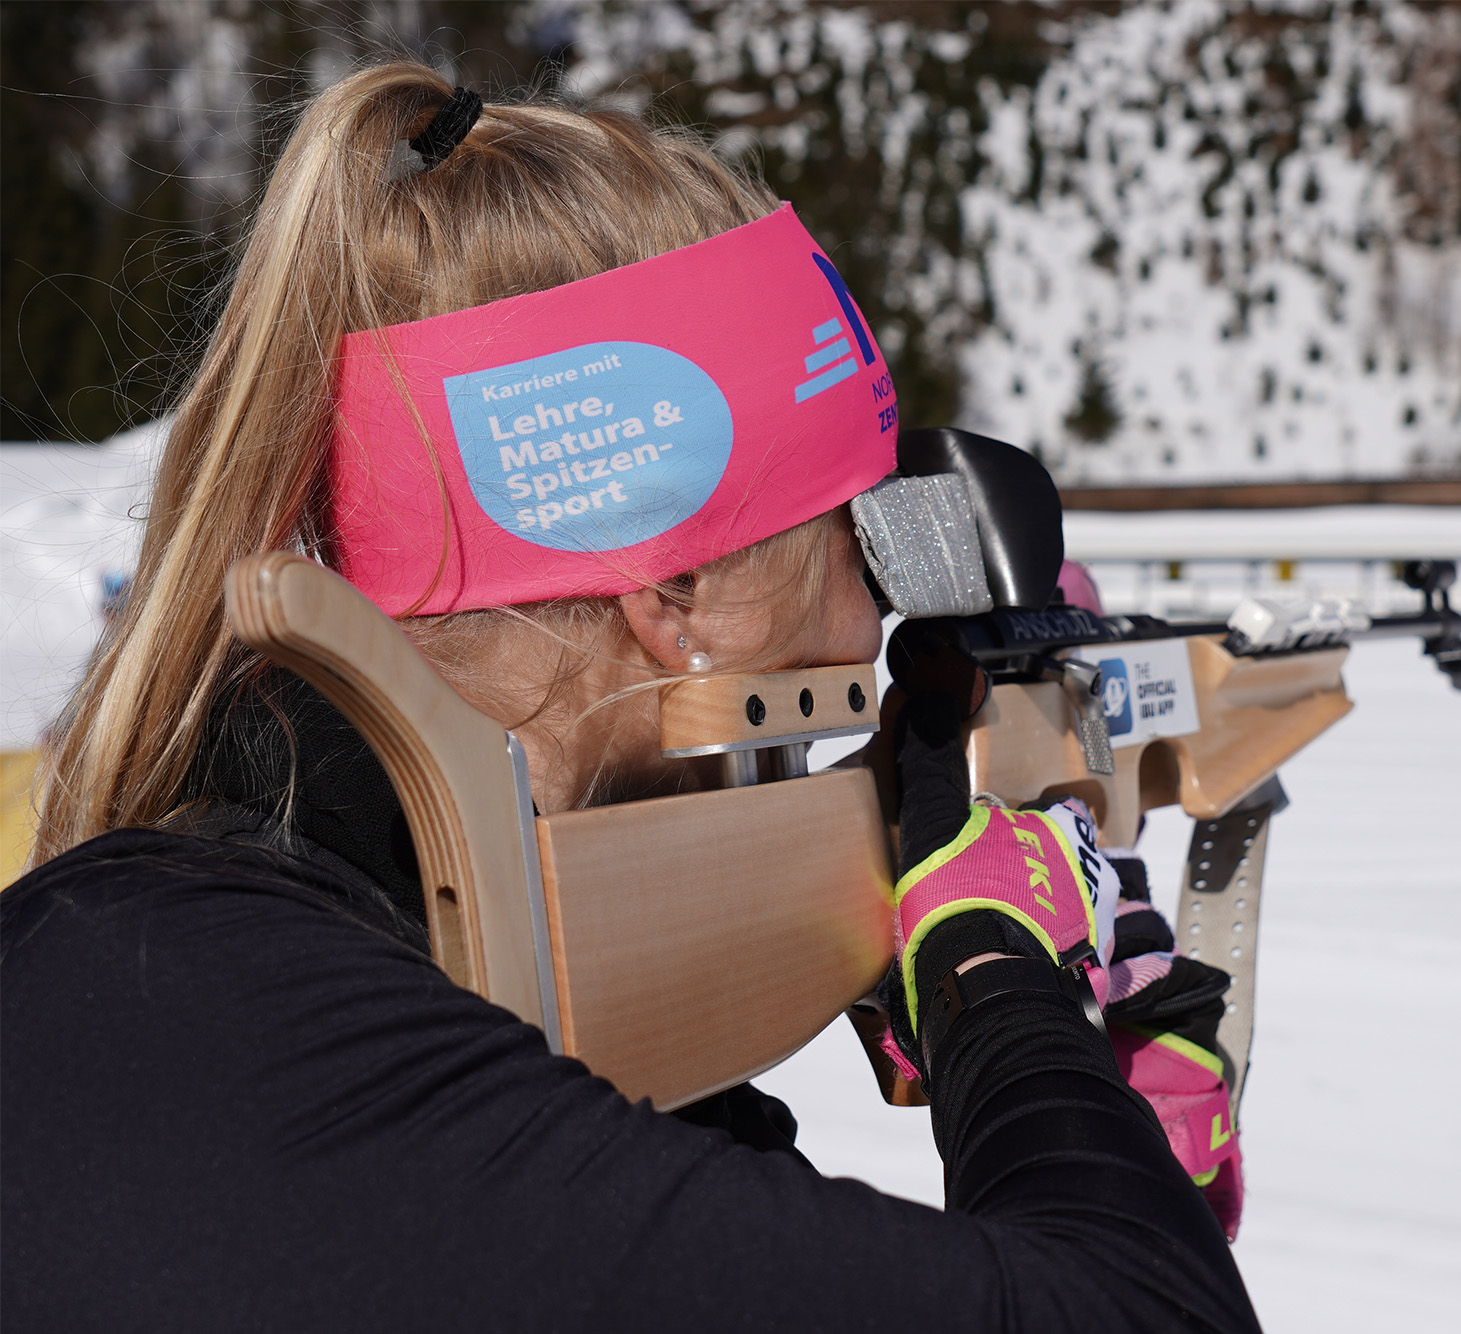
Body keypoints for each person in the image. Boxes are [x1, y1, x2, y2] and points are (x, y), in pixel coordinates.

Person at [0, 66, 1259, 1332]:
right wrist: (999, 978)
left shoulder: (214, 976)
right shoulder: (214, 1034)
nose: (879, 614)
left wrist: (1084, 1149)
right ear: (688, 588)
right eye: (857, 530)